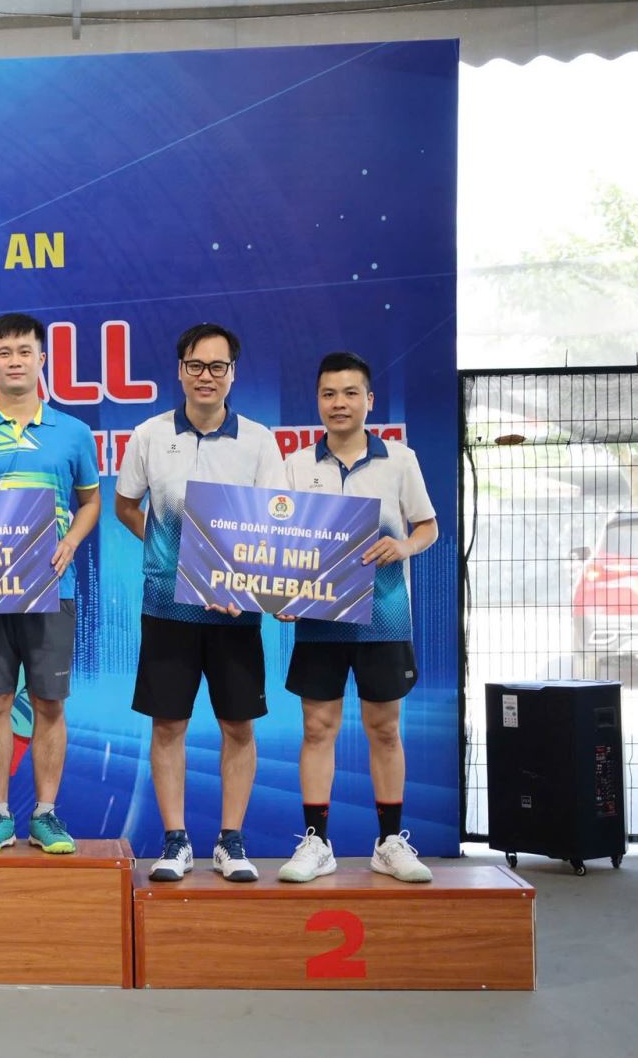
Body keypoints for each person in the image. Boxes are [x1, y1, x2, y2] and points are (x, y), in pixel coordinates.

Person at [114, 323, 284, 883]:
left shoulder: (258, 441)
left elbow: (275, 523)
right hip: (168, 609)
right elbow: (125, 505)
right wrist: (171, 554)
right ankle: (176, 841)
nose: (205, 376)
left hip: (236, 613)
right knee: (169, 725)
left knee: (239, 726)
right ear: (180, 369)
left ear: (233, 373)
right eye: (195, 365)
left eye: (217, 366)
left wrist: (244, 583)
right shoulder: (149, 434)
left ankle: (231, 842)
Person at [276, 351, 438, 884]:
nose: (338, 403)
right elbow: (277, 543)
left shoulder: (400, 460)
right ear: (317, 401)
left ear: (369, 400)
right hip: (318, 619)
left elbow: (428, 526)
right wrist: (278, 594)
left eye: (350, 393)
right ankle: (316, 843)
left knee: (384, 729)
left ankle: (390, 842)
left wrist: (404, 545)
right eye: (329, 394)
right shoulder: (295, 465)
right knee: (317, 727)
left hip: (383, 617)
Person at [0, 312, 101, 856]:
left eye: (24, 351)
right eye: (4, 353)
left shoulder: (73, 433)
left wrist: (70, 541)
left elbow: (91, 502)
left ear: (41, 359)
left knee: (49, 704)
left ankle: (46, 815)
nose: (15, 361)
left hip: (53, 587)